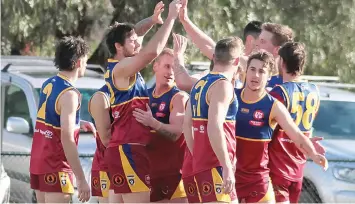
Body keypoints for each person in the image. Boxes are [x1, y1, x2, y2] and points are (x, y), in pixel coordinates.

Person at [104, 1, 182, 203]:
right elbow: (151, 53)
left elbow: (134, 33)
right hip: (129, 149)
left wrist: (152, 21)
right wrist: (171, 18)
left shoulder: (123, 64)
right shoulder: (121, 68)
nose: (137, 43)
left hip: (122, 149)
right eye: (132, 42)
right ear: (118, 47)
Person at [234, 50, 328, 203]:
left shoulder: (273, 106)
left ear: (269, 77)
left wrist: (313, 154)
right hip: (229, 177)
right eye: (252, 69)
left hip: (258, 182)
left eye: (261, 71)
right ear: (246, 71)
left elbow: (296, 134)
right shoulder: (232, 97)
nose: (256, 75)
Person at [29, 36, 96, 203]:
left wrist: (78, 124)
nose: (86, 65)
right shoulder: (70, 94)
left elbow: (51, 119)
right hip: (56, 166)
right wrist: (81, 179)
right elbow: (66, 139)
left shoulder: (48, 83)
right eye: (86, 61)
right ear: (79, 62)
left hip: (38, 162)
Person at [183, 37, 244, 203]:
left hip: (201, 166)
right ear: (237, 60)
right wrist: (226, 166)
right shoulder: (223, 85)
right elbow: (215, 126)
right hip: (216, 165)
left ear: (214, 57)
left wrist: (197, 154)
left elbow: (186, 125)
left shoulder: (199, 84)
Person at [268, 42, 325, 203]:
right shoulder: (315, 91)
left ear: (282, 62)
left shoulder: (279, 92)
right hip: (299, 164)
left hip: (278, 165)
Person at [132, 47, 189, 203]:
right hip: (148, 173)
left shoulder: (179, 97)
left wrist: (153, 123)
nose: (171, 72)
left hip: (174, 176)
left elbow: (176, 132)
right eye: (167, 66)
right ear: (155, 66)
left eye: (174, 68)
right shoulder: (144, 95)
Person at [172, 0, 261, 90]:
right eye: (261, 41)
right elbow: (210, 46)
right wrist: (185, 20)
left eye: (264, 41)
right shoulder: (216, 77)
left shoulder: (253, 66)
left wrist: (178, 55)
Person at [88, 84, 112, 203]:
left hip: (133, 163)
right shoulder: (102, 96)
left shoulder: (137, 90)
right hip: (106, 166)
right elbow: (106, 139)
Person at [257, 22, 294, 88]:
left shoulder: (285, 85)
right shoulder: (249, 74)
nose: (256, 44)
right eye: (258, 39)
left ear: (277, 50)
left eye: (262, 41)